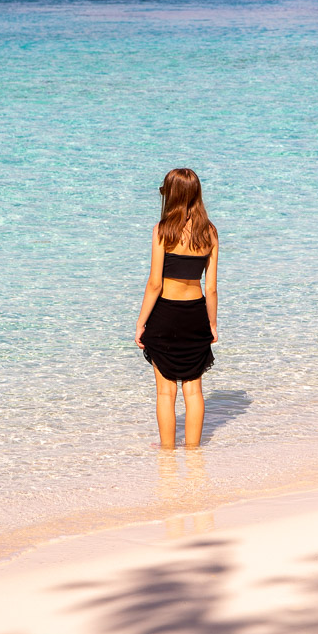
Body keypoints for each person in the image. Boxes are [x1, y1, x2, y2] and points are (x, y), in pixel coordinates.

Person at [135, 169, 219, 449]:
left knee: (165, 392)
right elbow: (212, 288)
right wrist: (212, 324)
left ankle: (167, 455)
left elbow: (154, 284)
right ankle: (194, 454)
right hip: (195, 315)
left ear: (171, 194)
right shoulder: (209, 232)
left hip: (165, 316)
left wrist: (140, 323)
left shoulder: (162, 231)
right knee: (193, 390)